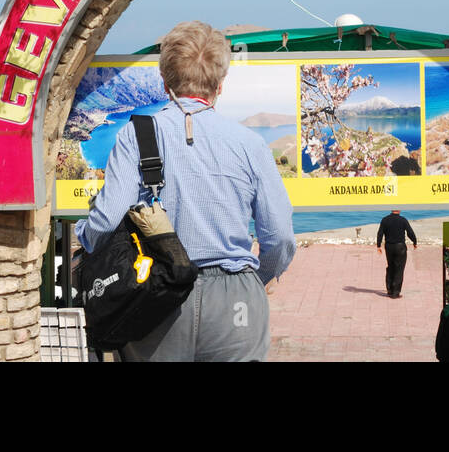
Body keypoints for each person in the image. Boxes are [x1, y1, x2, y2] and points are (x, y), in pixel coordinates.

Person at [75, 20, 295, 361]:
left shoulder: (136, 136)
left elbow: (105, 222)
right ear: (220, 85)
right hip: (235, 298)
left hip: (158, 295)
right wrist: (256, 278)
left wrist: (83, 239)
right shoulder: (250, 145)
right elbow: (279, 236)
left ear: (165, 82)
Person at [376, 208, 418, 298]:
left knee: (390, 267)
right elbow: (410, 232)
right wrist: (415, 242)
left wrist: (378, 245)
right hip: (400, 247)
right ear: (399, 210)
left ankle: (390, 290)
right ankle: (396, 293)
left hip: (389, 247)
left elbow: (380, 233)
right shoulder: (403, 220)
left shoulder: (385, 219)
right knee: (399, 269)